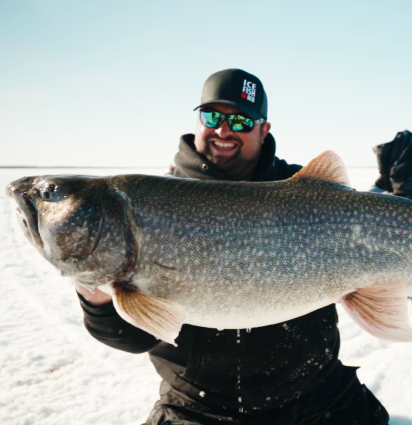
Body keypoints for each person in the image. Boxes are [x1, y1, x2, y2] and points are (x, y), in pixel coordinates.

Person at [75, 69, 390, 425]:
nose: (224, 130)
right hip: (197, 406)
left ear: (263, 129)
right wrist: (97, 294)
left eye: (240, 120)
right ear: (198, 121)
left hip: (316, 396)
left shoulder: (308, 195)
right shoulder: (148, 205)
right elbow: (131, 338)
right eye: (213, 117)